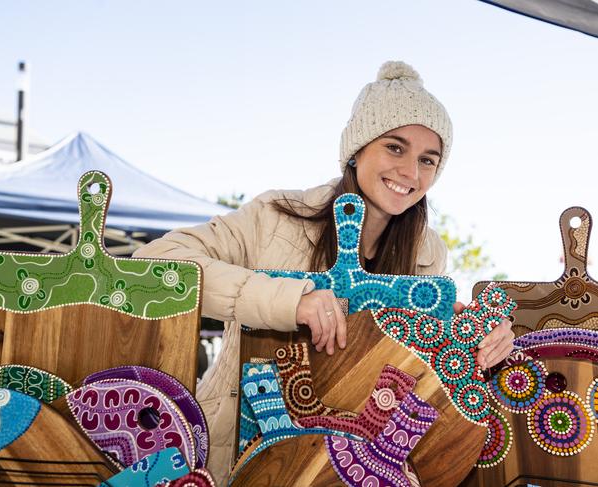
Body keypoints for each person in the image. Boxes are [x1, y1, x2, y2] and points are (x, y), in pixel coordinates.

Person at [134, 61, 515, 485]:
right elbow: (157, 262)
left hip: (340, 473)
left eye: (429, 160)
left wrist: (479, 340)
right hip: (229, 461)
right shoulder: (276, 216)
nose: (411, 172)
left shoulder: (427, 255)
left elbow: (419, 367)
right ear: (356, 148)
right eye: (395, 147)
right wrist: (287, 300)